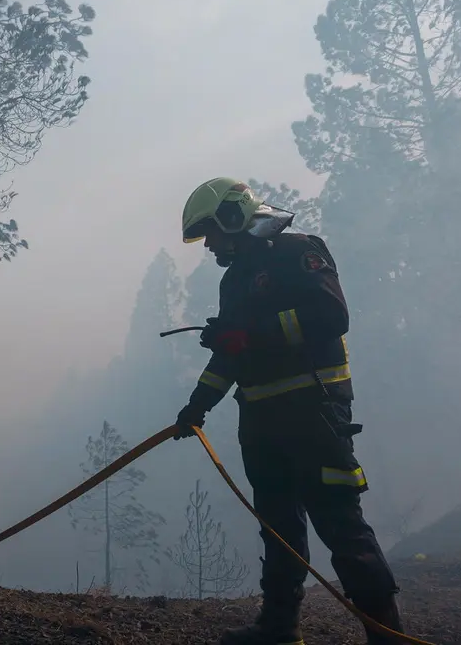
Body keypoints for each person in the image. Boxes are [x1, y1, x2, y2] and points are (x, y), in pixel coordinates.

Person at [174, 177, 405, 645]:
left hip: (314, 415)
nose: (210, 245)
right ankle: (279, 630)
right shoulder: (234, 278)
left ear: (234, 217)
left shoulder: (297, 251)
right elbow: (231, 357)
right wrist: (196, 407)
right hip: (261, 423)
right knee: (277, 530)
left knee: (341, 526)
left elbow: (330, 316)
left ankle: (389, 637)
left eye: (212, 233)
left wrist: (249, 335)